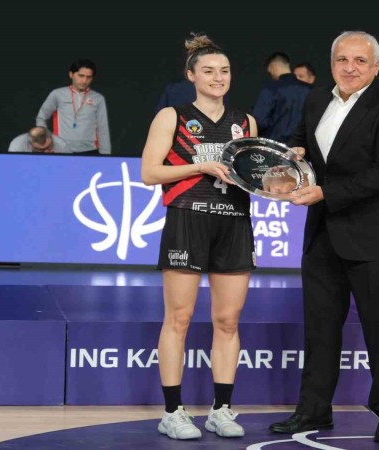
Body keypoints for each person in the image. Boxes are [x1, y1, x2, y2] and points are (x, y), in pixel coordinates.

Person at [269, 31, 379, 443]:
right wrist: (293, 155)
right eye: (342, 59)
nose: (349, 68)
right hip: (322, 235)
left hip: (376, 239)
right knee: (319, 329)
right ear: (332, 62)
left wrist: (325, 193)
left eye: (359, 60)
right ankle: (313, 410)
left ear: (376, 66)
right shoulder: (317, 99)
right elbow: (303, 140)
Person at [140, 33, 258, 441]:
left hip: (234, 222)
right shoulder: (171, 116)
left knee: (227, 320)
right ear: (191, 75)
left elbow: (251, 175)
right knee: (180, 318)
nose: (218, 77)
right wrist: (200, 167)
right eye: (208, 71)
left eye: (224, 71)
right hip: (188, 219)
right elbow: (149, 172)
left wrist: (278, 174)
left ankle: (220, 410)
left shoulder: (245, 122)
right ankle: (172, 412)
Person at [36, 59, 111, 155]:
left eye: (88, 77)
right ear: (71, 74)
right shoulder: (57, 94)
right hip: (62, 150)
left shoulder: (98, 98)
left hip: (90, 151)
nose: (84, 81)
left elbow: (103, 128)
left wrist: (106, 156)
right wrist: (45, 143)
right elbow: (41, 117)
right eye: (81, 76)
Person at [251, 52, 312, 143]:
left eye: (270, 72)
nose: (271, 75)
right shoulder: (310, 90)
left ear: (274, 67)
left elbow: (259, 121)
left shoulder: (270, 89)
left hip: (275, 147)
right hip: (303, 148)